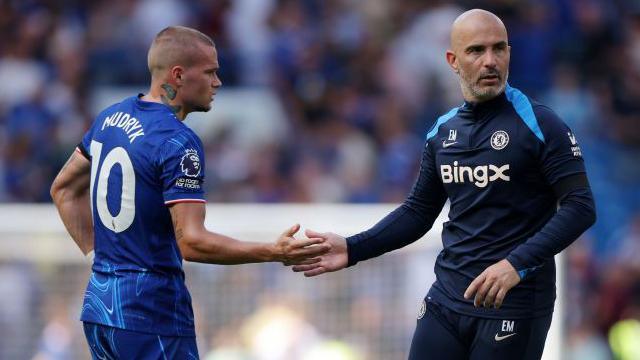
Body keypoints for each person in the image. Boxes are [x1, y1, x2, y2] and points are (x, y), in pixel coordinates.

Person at [293, 9, 596, 360]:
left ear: (510, 53)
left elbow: (580, 206)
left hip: (514, 303)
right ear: (453, 60)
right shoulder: (443, 131)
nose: (490, 61)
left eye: (499, 49)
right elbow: (419, 212)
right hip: (449, 298)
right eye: (476, 51)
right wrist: (353, 247)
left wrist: (516, 263)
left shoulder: (542, 124)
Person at [50, 26, 329, 359]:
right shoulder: (177, 141)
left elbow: (63, 189)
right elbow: (192, 242)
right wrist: (272, 251)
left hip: (100, 308)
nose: (217, 82)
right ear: (178, 75)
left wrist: (100, 258)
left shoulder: (110, 119)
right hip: (151, 313)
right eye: (210, 72)